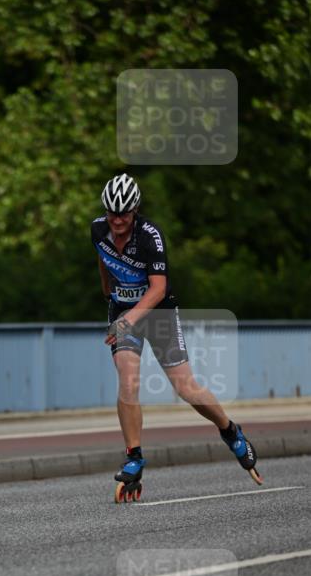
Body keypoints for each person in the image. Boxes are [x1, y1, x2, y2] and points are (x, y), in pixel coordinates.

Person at [92, 173, 261, 502]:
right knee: (128, 380)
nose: (117, 221)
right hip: (123, 312)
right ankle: (134, 457)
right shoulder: (98, 228)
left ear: (136, 209)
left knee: (185, 387)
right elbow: (103, 258)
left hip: (158, 312)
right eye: (112, 213)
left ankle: (229, 430)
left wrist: (128, 320)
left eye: (124, 214)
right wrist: (109, 295)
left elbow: (158, 289)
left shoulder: (150, 236)